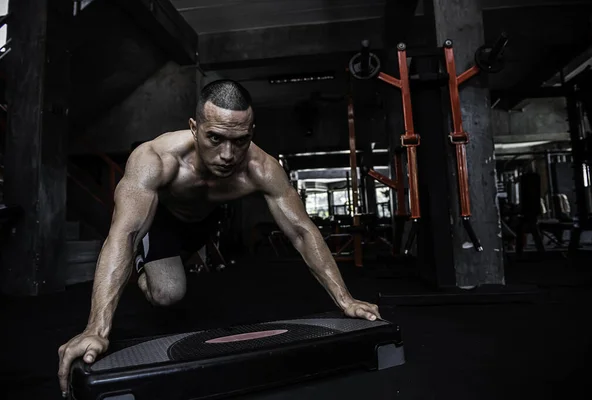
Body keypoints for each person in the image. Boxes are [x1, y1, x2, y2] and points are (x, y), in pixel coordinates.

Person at [57, 80, 381, 396]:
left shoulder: (262, 168)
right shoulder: (155, 160)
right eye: (214, 137)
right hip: (164, 222)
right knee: (168, 293)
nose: (228, 154)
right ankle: (146, 267)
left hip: (209, 222)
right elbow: (123, 235)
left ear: (251, 133)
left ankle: (184, 256)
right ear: (194, 127)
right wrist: (95, 330)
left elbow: (301, 231)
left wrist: (345, 300)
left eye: (239, 141)